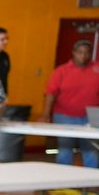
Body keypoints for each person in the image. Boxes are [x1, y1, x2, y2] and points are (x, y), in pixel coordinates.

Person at [40, 38, 99, 168]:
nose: (83, 56)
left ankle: (91, 183)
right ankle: (62, 183)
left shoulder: (97, 69)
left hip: (92, 115)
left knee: (91, 151)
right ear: (73, 52)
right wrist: (45, 114)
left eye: (86, 52)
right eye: (80, 52)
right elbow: (50, 93)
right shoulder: (61, 71)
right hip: (64, 115)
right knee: (65, 150)